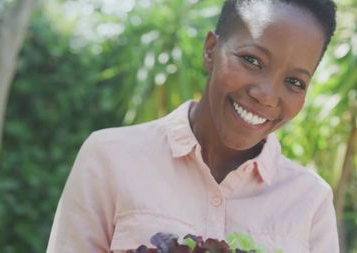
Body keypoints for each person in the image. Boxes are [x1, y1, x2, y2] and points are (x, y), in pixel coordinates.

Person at [46, 0, 339, 252]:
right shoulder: (110, 157)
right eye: (252, 60)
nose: (266, 95)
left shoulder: (311, 201)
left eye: (294, 82)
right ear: (211, 50)